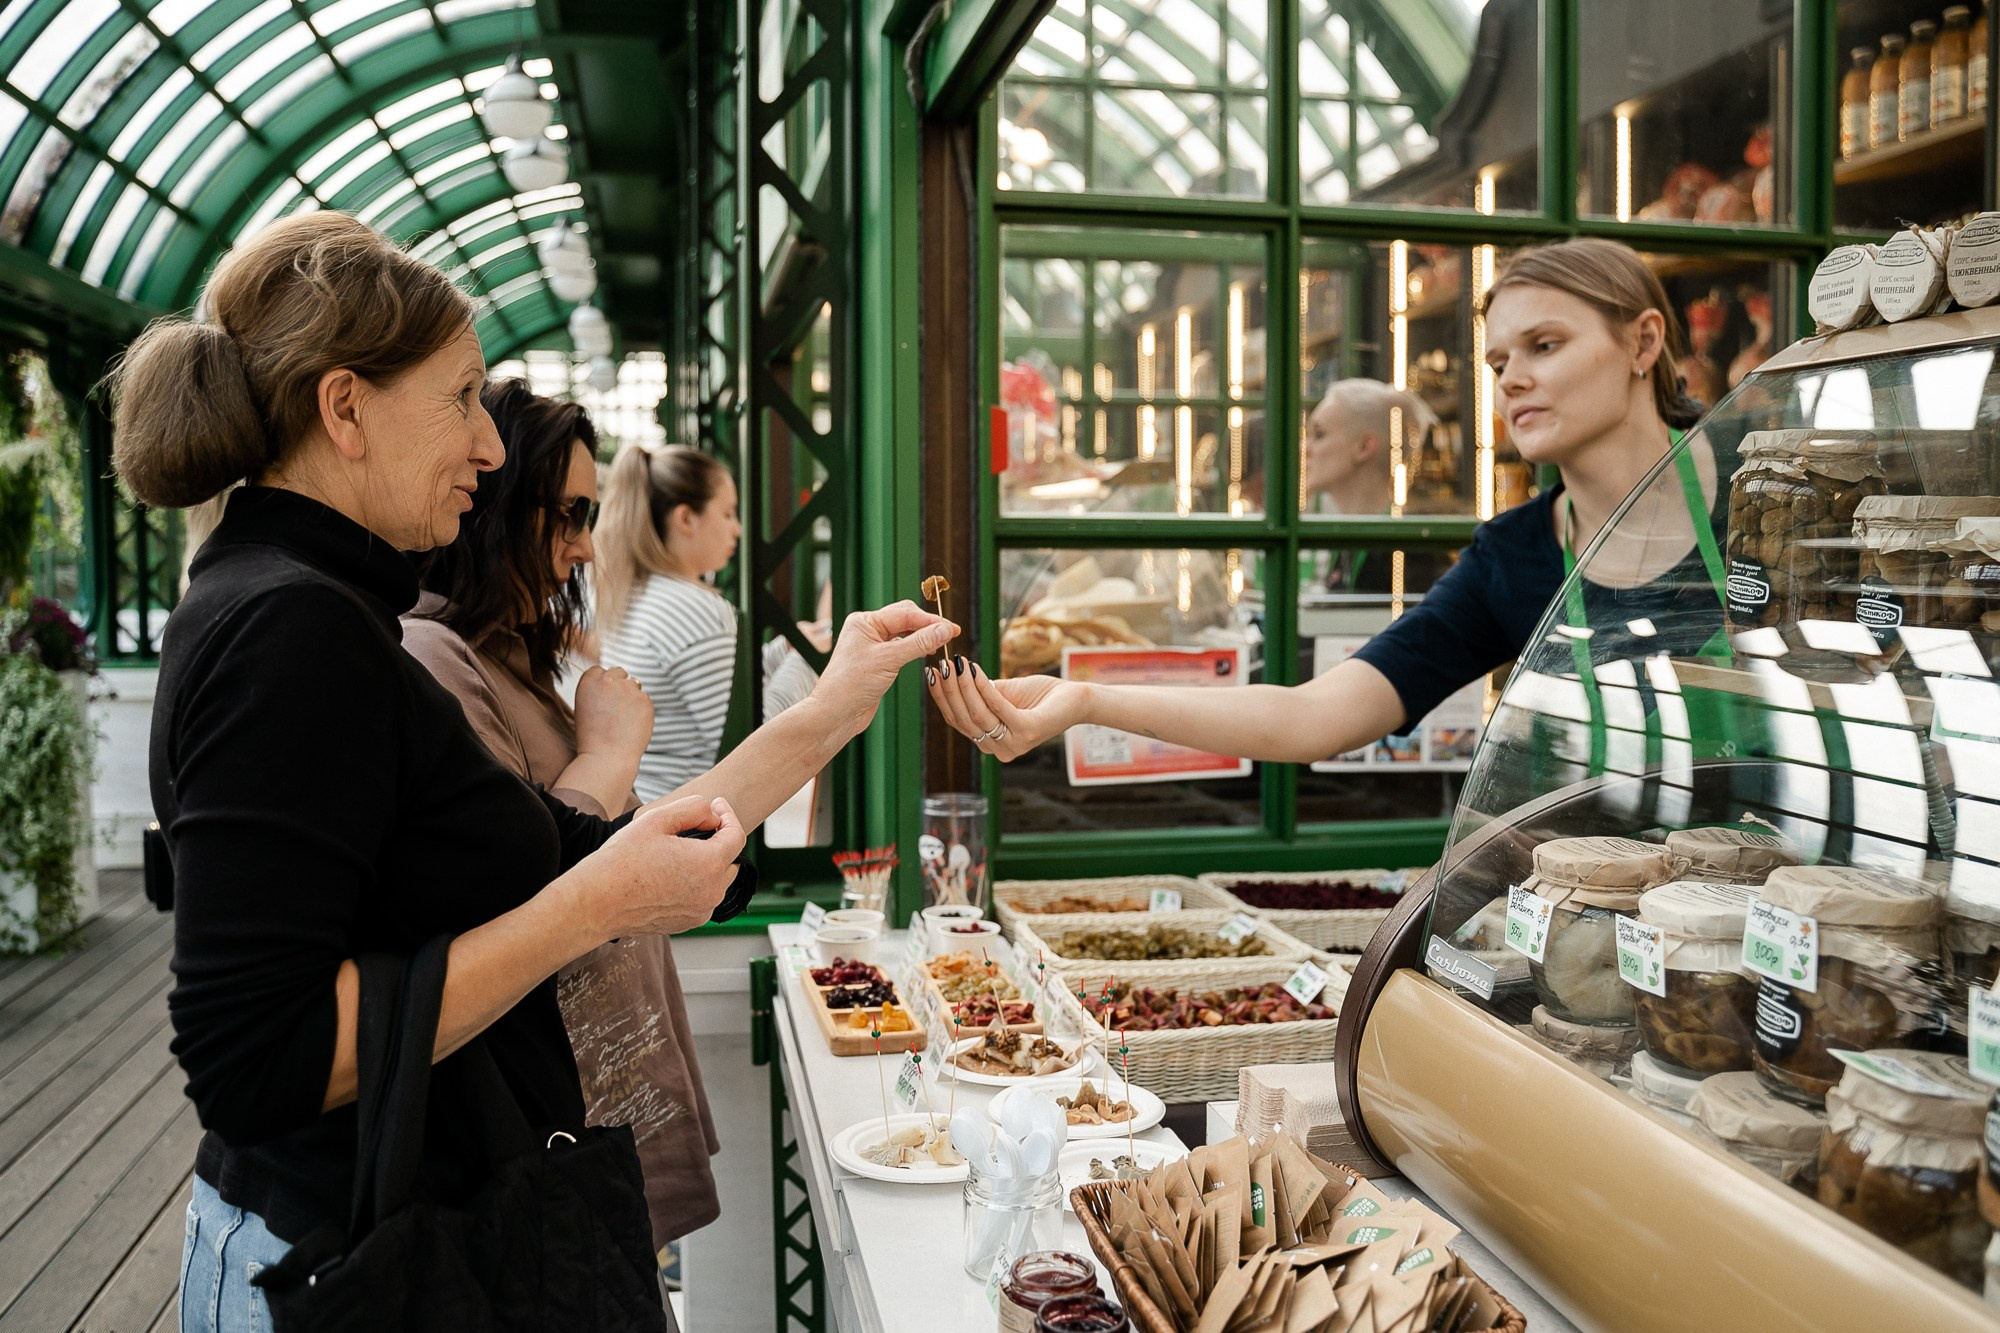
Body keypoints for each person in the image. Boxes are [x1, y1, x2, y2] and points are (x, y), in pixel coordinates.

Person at [113, 213, 954, 1333]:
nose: (490, 446)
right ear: (344, 407)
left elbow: (571, 860)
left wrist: (834, 706)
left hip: (394, 1246)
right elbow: (258, 1059)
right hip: (353, 1267)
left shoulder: (314, 611)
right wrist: (587, 907)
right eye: (462, 397)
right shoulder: (290, 627)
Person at [931, 237, 1721, 769]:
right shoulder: (1511, 558)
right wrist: (1085, 699)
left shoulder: (1771, 501)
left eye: (1544, 346)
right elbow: (1309, 717)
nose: (1510, 378)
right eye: (1498, 358)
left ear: (1643, 344)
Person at [402, 379, 723, 1257]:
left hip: (594, 1094)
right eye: (567, 514)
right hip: (547, 1115)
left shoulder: (508, 652)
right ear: (492, 505)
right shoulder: (436, 658)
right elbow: (525, 883)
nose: (584, 546)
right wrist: (611, 757)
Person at [591, 444, 742, 803]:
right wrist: (807, 663)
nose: (737, 529)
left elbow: (719, 678)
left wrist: (783, 649)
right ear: (686, 519)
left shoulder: (634, 593)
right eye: (727, 513)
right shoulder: (694, 610)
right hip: (693, 825)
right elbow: (753, 741)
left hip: (648, 808)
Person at [1300, 378, 1453, 595]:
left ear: (1364, 447)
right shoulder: (1348, 541)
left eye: (1319, 434)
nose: (1305, 448)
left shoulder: (1409, 554)